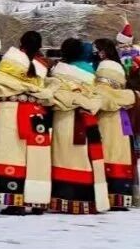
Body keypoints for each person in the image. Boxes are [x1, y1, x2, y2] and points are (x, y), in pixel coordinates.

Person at [0, 33, 53, 214]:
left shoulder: (10, 62)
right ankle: (37, 201)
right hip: (36, 114)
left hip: (11, 112)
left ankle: (16, 202)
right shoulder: (41, 67)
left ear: (21, 43)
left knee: (12, 155)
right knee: (35, 158)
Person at [46, 39, 108, 214]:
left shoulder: (56, 74)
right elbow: (97, 98)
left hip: (63, 119)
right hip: (87, 120)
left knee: (63, 157)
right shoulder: (91, 74)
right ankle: (85, 199)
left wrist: (72, 101)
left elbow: (53, 98)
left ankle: (62, 198)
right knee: (84, 158)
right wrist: (84, 102)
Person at [94, 60, 137, 210]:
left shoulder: (96, 91)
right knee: (117, 155)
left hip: (106, 127)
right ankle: (118, 196)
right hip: (117, 129)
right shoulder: (126, 95)